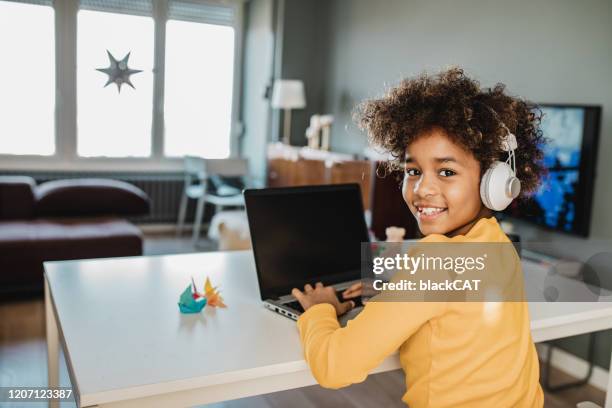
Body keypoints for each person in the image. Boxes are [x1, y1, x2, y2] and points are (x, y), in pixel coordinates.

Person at [291, 68, 546, 407]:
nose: (422, 188)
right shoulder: (496, 242)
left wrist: (320, 310)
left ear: (494, 182)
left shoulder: (435, 262)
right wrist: (395, 290)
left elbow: (334, 367)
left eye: (446, 171)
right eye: (413, 171)